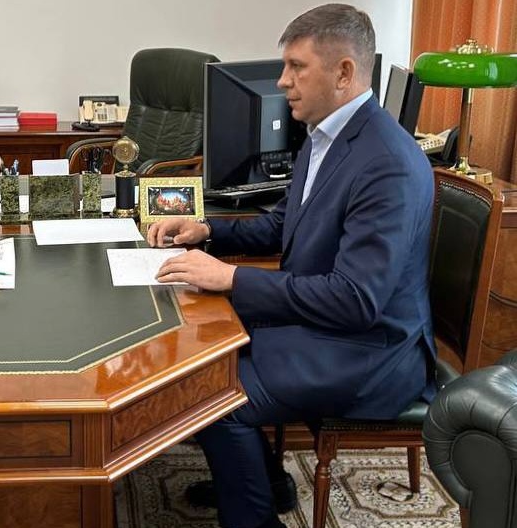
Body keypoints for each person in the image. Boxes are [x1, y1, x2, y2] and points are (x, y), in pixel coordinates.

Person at [147, 5, 435, 528]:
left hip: (370, 350)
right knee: (200, 356)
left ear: (344, 73)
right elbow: (284, 225)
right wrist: (208, 231)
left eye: (296, 67)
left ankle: (256, 514)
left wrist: (232, 278)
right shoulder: (326, 135)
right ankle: (266, 482)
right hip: (325, 326)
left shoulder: (387, 163)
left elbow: (356, 300)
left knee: (211, 398)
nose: (282, 81)